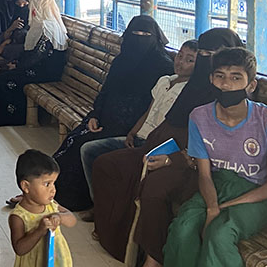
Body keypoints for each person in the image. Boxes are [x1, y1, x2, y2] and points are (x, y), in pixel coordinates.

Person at [144, 48, 267, 267]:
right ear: (211, 80)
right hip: (215, 188)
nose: (227, 85)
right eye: (220, 77)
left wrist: (221, 211)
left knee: (221, 233)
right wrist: (210, 206)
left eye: (236, 78)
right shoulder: (200, 116)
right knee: (181, 227)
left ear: (251, 84)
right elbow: (205, 175)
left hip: (254, 194)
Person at [90, 28, 244, 267]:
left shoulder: (233, 94)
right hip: (164, 150)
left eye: (213, 54)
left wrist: (175, 159)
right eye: (203, 54)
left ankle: (155, 265)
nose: (207, 60)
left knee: (156, 187)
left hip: (202, 167)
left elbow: (221, 146)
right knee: (107, 164)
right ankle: (115, 233)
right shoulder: (195, 86)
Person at [49, 15, 174, 211]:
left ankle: (67, 198)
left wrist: (130, 128)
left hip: (131, 127)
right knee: (72, 140)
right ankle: (46, 191)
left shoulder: (163, 67)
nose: (139, 39)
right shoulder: (122, 60)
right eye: (135, 34)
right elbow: (105, 91)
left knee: (81, 145)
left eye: (145, 35)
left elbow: (152, 108)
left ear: (155, 37)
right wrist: (95, 115)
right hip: (104, 119)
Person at [78, 39, 198, 209]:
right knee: (88, 150)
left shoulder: (190, 91)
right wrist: (132, 133)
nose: (180, 62)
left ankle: (113, 209)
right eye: (180, 56)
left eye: (189, 60)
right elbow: (148, 112)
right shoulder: (165, 80)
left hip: (155, 146)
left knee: (111, 164)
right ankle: (99, 205)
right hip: (139, 137)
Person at [0, 0, 68, 128]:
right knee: (3, 75)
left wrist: (18, 66)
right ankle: (1, 115)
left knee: (4, 80)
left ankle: (13, 117)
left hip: (46, 72)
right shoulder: (42, 23)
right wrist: (18, 64)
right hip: (38, 67)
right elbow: (33, 54)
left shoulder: (48, 26)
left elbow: (38, 56)